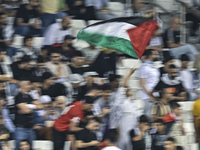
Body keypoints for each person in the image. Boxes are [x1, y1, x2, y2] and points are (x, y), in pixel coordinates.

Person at [14, 80, 43, 150]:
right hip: (21, 128)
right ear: (22, 86)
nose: (30, 86)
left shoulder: (29, 96)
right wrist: (32, 107)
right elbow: (25, 110)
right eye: (28, 84)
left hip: (30, 128)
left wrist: (29, 106)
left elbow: (40, 107)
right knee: (18, 147)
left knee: (30, 148)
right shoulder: (18, 96)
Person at [116, 68, 140, 150]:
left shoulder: (133, 104)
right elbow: (122, 87)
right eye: (127, 89)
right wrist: (130, 74)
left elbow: (137, 118)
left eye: (129, 89)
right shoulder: (121, 100)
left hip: (132, 128)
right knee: (122, 144)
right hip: (123, 126)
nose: (128, 90)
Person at [139, 49, 160, 119]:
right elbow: (142, 83)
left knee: (155, 116)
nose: (157, 56)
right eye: (155, 54)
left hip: (156, 95)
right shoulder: (144, 67)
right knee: (147, 116)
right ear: (150, 55)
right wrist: (150, 95)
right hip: (148, 96)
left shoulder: (155, 67)